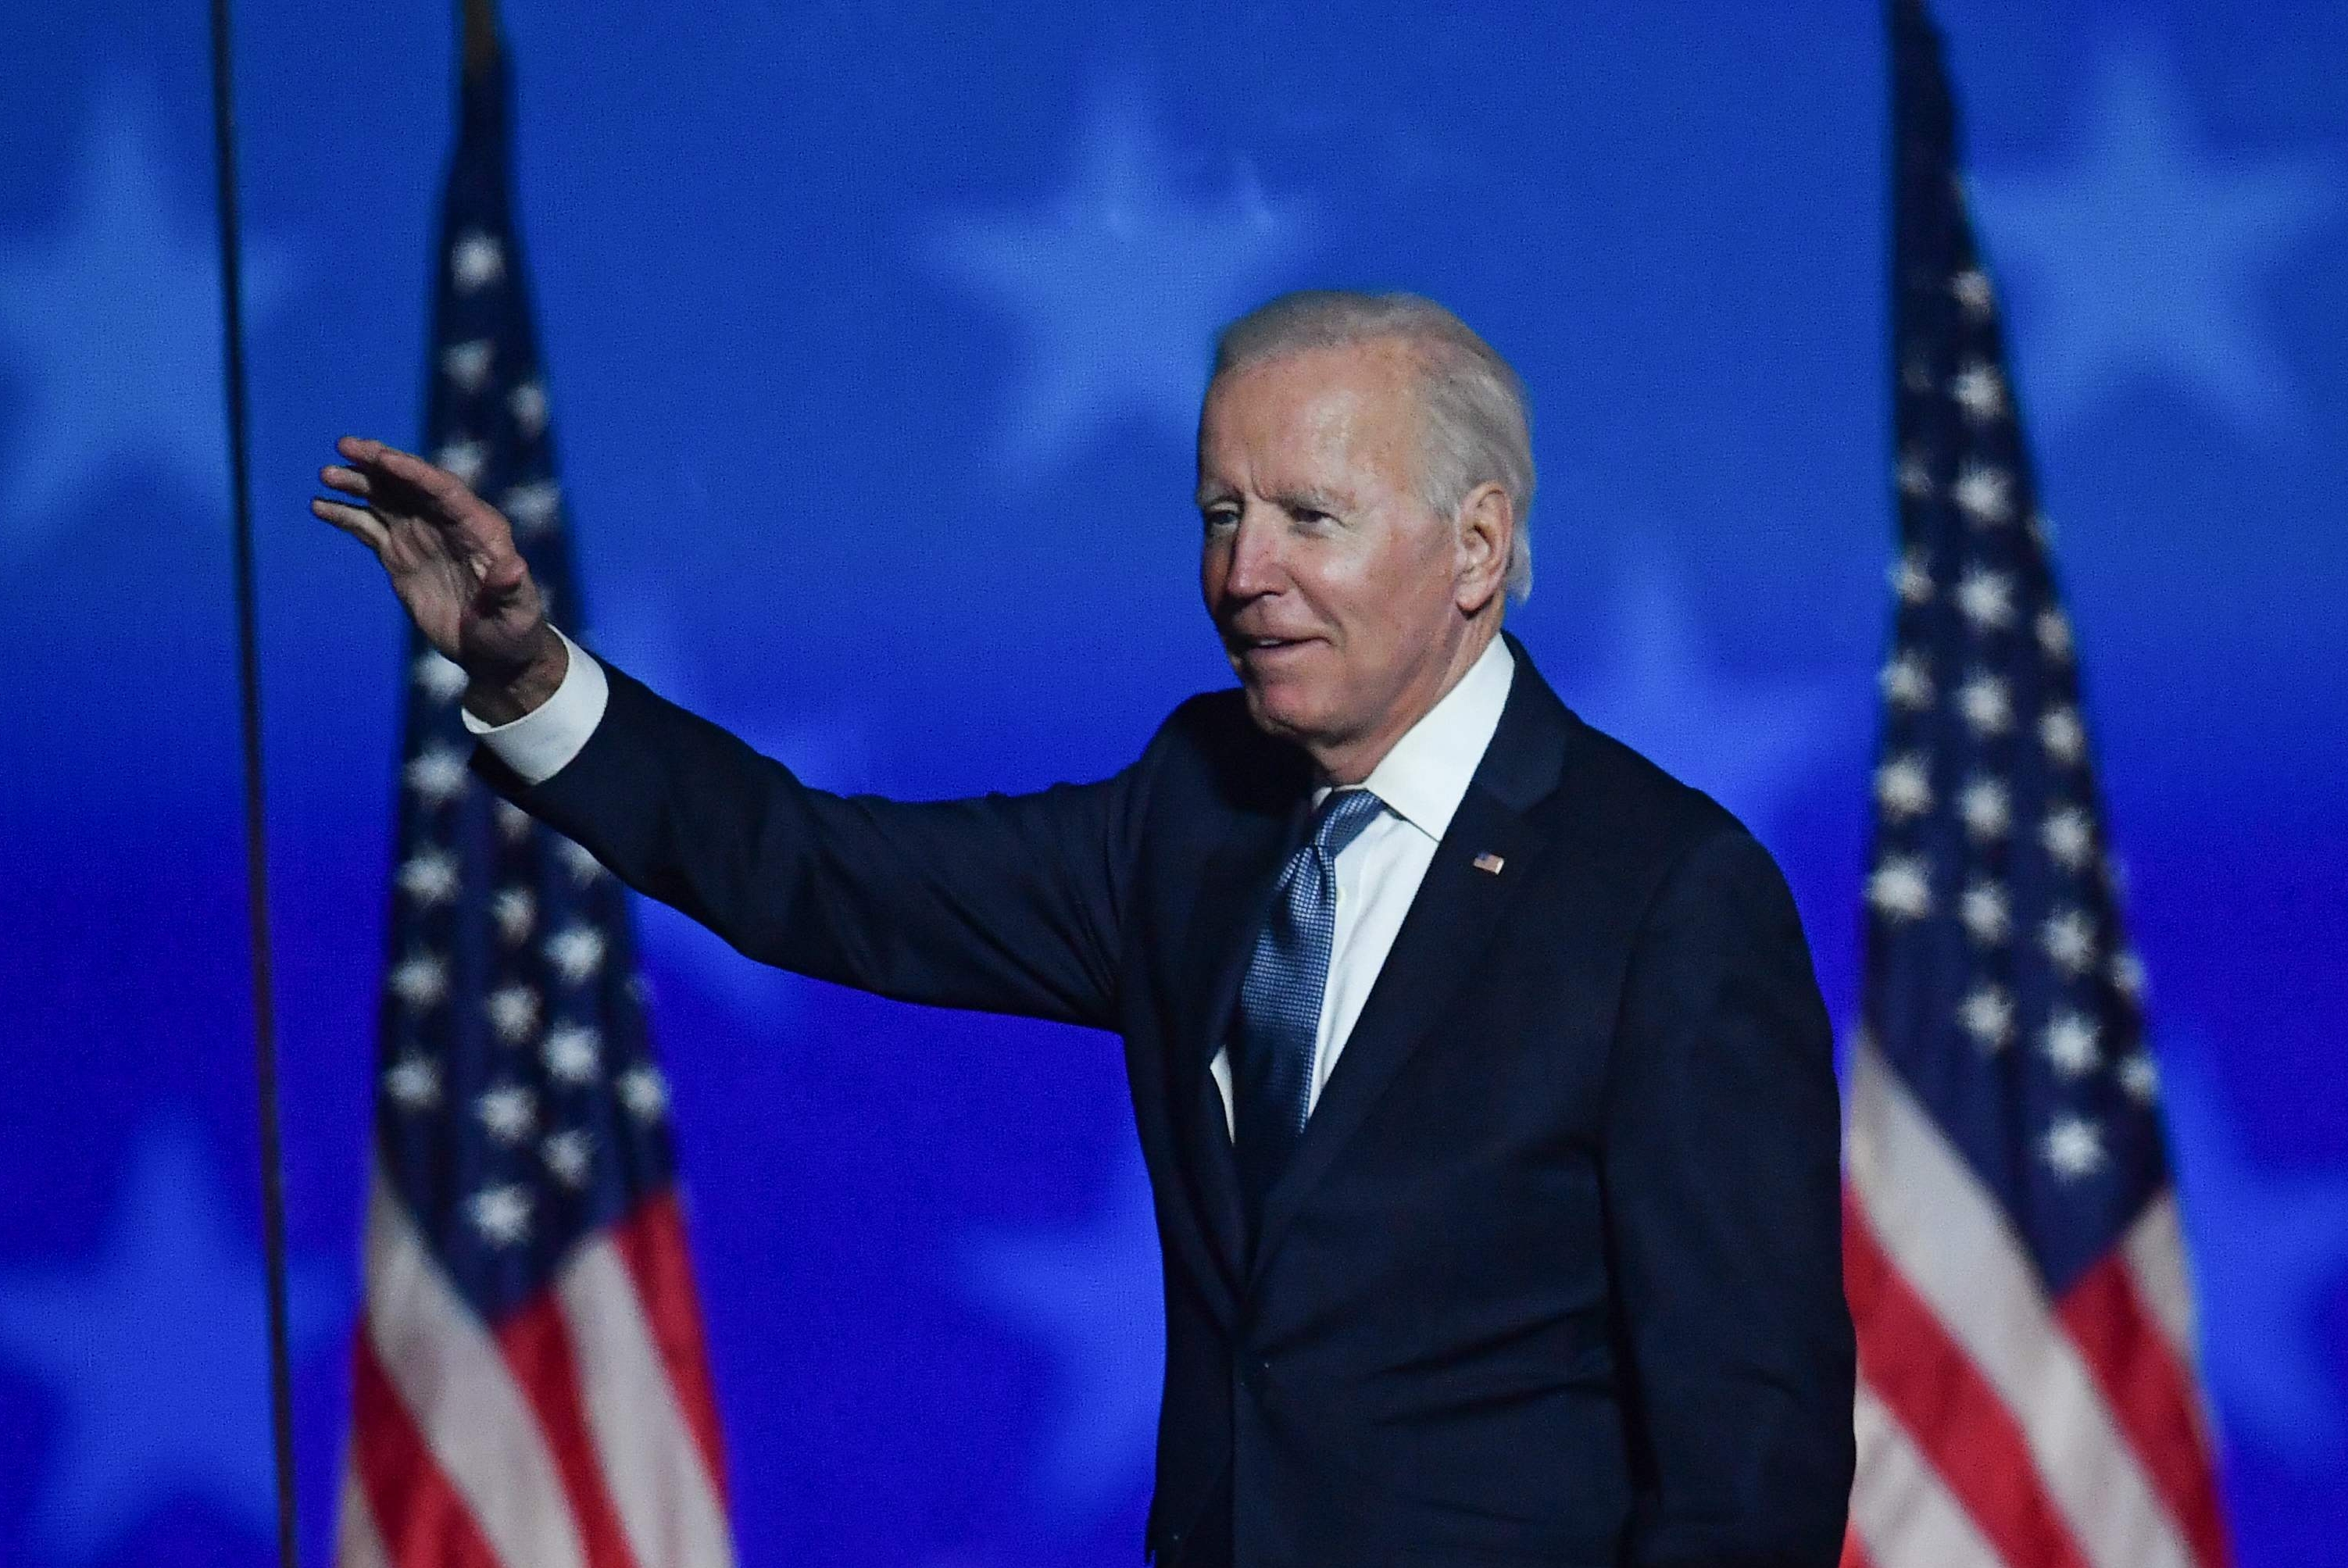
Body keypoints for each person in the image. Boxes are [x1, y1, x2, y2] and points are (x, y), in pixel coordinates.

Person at [316, 290, 1854, 1567]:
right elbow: (822, 872)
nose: (1244, 576)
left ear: (1475, 544)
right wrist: (528, 679)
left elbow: (1752, 1457)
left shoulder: (1668, 898)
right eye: (1221, 515)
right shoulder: (1194, 808)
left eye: (1309, 517)